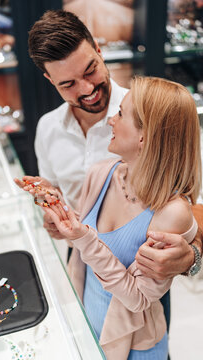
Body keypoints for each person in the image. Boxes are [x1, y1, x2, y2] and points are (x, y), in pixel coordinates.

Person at [14, 9, 202, 336]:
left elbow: (192, 204)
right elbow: (56, 189)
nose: (87, 89)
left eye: (90, 70)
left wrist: (192, 255)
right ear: (49, 80)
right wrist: (52, 210)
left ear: (99, 50)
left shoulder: (151, 115)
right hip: (82, 263)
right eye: (68, 84)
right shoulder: (48, 129)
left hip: (142, 275)